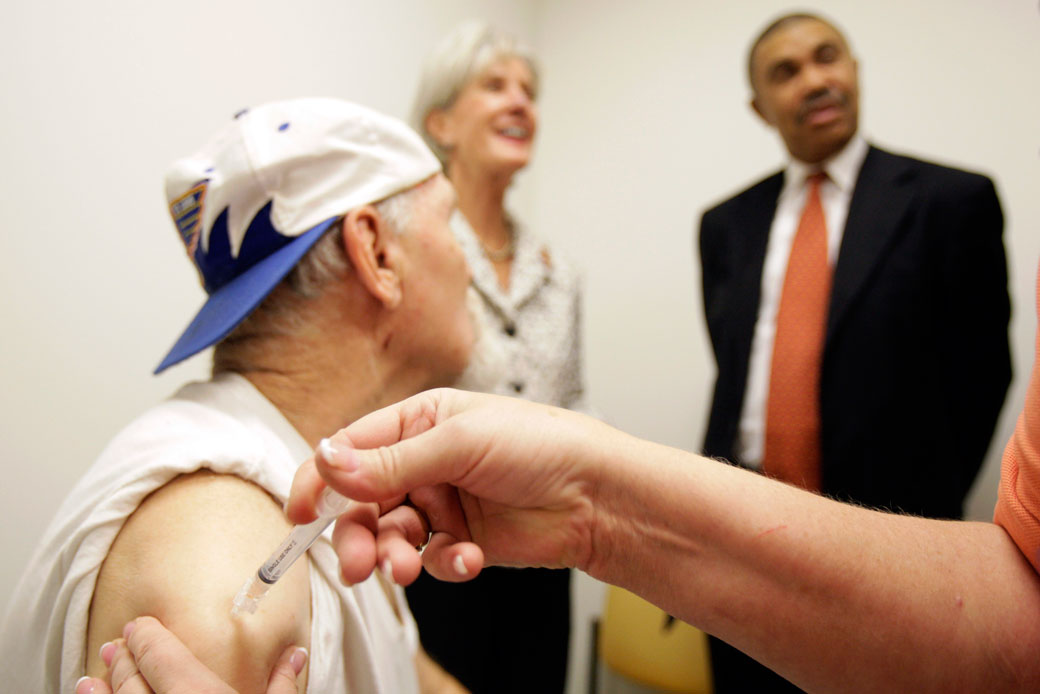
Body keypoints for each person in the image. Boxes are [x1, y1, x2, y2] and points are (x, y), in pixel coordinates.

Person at [72, 257, 1040, 693]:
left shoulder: (315, 479)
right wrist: (591, 507)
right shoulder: (212, 523)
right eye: (447, 216)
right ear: (373, 250)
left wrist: (592, 504)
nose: (479, 266)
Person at [0, 98, 472, 693]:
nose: (468, 261)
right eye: (451, 225)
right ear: (377, 253)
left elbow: (413, 677)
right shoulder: (216, 544)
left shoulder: (340, 495)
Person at [697, 12, 1011, 689]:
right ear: (760, 107)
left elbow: (984, 374)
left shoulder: (951, 202)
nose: (814, 80)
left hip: (892, 550)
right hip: (738, 543)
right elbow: (733, 372)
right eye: (786, 72)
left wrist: (923, 507)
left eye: (826, 57)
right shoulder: (726, 225)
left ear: (854, 70)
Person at [404, 20, 590, 693]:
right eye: (495, 86)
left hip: (542, 555)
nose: (520, 102)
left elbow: (572, 406)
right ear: (441, 123)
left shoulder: (558, 270)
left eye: (528, 90)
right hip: (432, 548)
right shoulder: (404, 253)